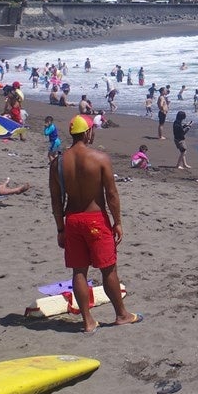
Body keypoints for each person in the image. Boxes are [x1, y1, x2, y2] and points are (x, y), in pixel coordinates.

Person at [48, 114, 140, 333]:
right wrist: (117, 222)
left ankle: (88, 322)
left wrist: (60, 228)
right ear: (88, 132)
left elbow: (55, 199)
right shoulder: (100, 158)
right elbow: (112, 194)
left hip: (72, 220)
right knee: (108, 269)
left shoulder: (58, 163)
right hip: (95, 220)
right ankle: (121, 314)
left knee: (79, 271)